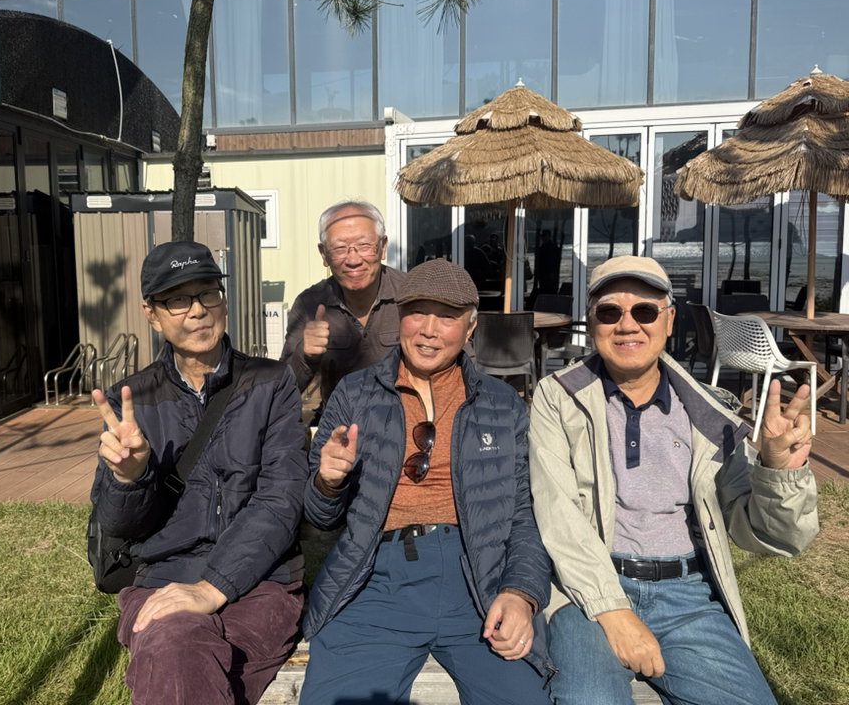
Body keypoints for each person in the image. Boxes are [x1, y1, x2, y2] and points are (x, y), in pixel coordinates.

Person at [528, 255, 819, 705]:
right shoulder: (558, 397)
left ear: (669, 320)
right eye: (610, 311)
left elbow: (770, 536)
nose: (627, 325)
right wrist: (612, 610)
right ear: (592, 322)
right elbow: (558, 516)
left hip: (687, 596)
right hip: (587, 590)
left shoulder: (708, 412)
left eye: (645, 311)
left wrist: (778, 472)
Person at [299, 258, 554, 705]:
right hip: (377, 577)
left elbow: (524, 514)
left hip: (479, 578)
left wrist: (521, 594)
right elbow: (320, 518)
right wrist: (328, 481)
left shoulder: (501, 404)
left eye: (448, 316)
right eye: (417, 312)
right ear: (400, 316)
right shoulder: (356, 394)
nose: (429, 331)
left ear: (470, 327)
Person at [89, 241, 308, 705]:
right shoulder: (131, 400)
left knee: (184, 674)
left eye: (208, 292)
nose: (197, 310)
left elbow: (281, 499)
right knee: (176, 647)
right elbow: (116, 525)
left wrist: (212, 587)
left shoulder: (271, 383)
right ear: (152, 314)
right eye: (177, 299)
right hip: (162, 581)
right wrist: (129, 478)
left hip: (260, 582)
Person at [280, 200, 406, 416]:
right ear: (324, 254)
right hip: (338, 427)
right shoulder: (310, 304)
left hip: (406, 425)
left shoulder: (411, 295)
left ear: (383, 247)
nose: (353, 260)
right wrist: (305, 355)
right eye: (339, 248)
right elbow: (283, 391)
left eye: (364, 245)